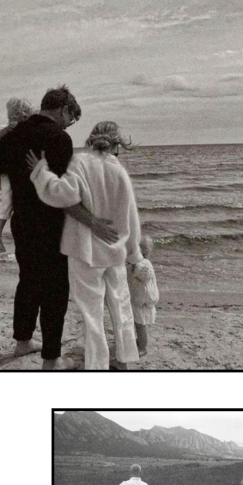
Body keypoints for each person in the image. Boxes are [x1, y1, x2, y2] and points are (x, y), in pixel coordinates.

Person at [0, 86, 118, 369]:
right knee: (55, 289)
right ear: (63, 109)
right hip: (52, 222)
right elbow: (63, 194)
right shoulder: (59, 138)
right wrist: (93, 221)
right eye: (71, 118)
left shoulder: (14, 133)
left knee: (28, 281)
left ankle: (23, 342)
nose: (69, 124)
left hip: (21, 221)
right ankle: (51, 358)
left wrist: (22, 190)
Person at [26, 121, 143, 370]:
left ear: (90, 140)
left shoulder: (80, 163)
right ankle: (123, 361)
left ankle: (97, 366)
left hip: (86, 251)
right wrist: (135, 253)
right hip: (115, 250)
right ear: (116, 144)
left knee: (92, 314)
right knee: (121, 305)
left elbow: (61, 195)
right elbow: (131, 217)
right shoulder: (119, 171)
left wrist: (40, 171)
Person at [0, 97, 35, 253]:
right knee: (7, 198)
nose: (16, 121)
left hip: (17, 172)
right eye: (13, 118)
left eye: (21, 118)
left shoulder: (28, 130)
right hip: (7, 172)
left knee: (11, 196)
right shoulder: (5, 129)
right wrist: (7, 130)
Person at [128, 234, 159, 359]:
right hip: (139, 298)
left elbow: (143, 273)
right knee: (138, 323)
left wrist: (132, 264)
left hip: (143, 300)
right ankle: (140, 341)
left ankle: (143, 347)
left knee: (140, 325)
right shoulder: (137, 263)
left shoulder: (144, 264)